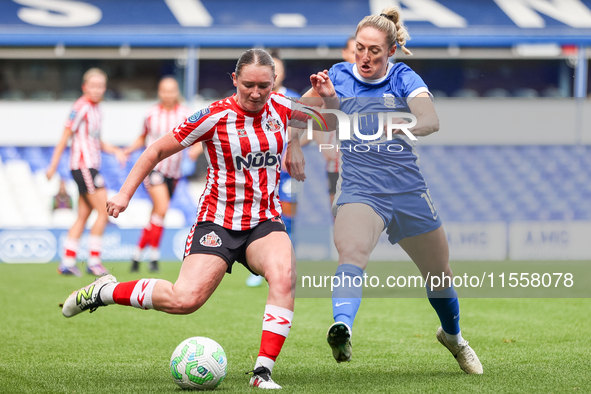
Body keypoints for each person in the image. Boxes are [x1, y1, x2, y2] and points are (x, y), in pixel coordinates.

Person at [60, 49, 302, 389]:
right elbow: (156, 150)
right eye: (248, 85)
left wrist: (300, 140)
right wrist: (126, 193)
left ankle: (262, 372)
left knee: (285, 274)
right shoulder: (214, 116)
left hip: (264, 221)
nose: (256, 93)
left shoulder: (283, 108)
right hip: (217, 221)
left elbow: (325, 120)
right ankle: (105, 291)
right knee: (184, 300)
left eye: (264, 85)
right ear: (235, 80)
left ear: (274, 82)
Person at [286, 7, 483, 374]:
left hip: (408, 191)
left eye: (374, 50)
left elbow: (430, 120)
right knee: (351, 253)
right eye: (360, 48)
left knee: (438, 274)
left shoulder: (404, 78)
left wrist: (397, 124)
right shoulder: (338, 76)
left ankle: (454, 338)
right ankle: (342, 326)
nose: (364, 56)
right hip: (361, 189)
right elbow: (298, 112)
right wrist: (294, 144)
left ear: (390, 51)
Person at [46, 68, 125, 277]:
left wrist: (116, 150)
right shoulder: (80, 107)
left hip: (90, 166)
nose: (97, 90)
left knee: (83, 215)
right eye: (93, 86)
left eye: (100, 86)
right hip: (84, 166)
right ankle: (94, 261)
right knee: (103, 212)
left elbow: (96, 141)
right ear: (84, 87)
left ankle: (67, 262)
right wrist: (52, 165)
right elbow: (65, 136)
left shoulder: (98, 110)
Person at [123, 76, 200, 273]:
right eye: (164, 90)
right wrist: (127, 150)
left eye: (172, 90)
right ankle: (154, 258)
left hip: (174, 173)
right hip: (154, 169)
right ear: (159, 92)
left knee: (157, 215)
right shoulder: (151, 114)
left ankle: (137, 256)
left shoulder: (184, 113)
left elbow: (198, 136)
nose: (168, 94)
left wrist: (196, 149)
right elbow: (142, 137)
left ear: (177, 92)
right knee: (162, 207)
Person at [246, 52, 300, 288]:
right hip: (261, 170)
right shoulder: (254, 99)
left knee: (288, 217)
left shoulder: (293, 99)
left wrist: (294, 147)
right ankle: (261, 266)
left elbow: (309, 131)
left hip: (287, 170)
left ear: (280, 74)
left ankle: (287, 264)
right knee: (262, 216)